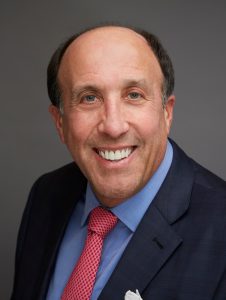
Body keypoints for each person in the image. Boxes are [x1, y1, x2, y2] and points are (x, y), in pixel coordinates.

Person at [11, 25, 226, 300]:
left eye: (133, 95)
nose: (113, 126)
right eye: (89, 98)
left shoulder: (220, 227)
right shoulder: (46, 195)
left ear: (167, 112)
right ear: (60, 122)